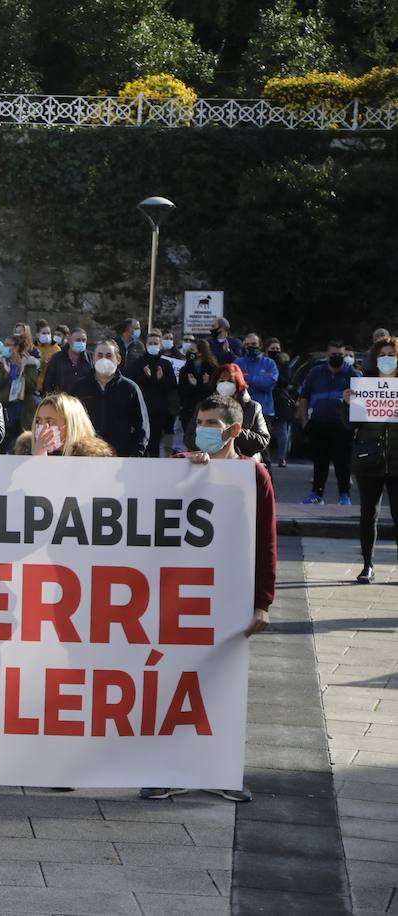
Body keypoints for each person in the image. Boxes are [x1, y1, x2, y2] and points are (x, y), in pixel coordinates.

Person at [141, 394, 274, 804]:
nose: (203, 429)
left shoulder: (254, 477)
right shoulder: (185, 466)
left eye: (212, 423)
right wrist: (187, 470)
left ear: (234, 430)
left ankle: (221, 772)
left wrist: (262, 602)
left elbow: (265, 542)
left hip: (229, 596)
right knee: (174, 682)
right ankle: (166, 770)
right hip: (182, 594)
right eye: (199, 421)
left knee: (223, 685)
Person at [346, 337, 398, 583]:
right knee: (369, 514)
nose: (387, 359)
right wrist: (347, 403)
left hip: (397, 460)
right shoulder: (364, 385)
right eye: (382, 354)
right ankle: (367, 565)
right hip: (370, 459)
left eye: (391, 354)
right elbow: (350, 425)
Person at [298, 341, 360, 505]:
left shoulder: (353, 374)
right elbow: (304, 396)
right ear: (327, 355)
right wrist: (304, 420)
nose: (337, 358)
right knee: (320, 462)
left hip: (343, 427)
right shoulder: (315, 373)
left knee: (343, 463)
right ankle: (317, 494)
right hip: (318, 425)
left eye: (340, 355)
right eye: (334, 355)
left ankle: (344, 495)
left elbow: (361, 401)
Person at [70, 341, 149, 458]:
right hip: (84, 455)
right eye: (100, 355)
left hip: (121, 455)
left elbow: (142, 426)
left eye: (109, 355)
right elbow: (69, 421)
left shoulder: (130, 388)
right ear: (93, 359)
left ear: (118, 359)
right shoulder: (79, 387)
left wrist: (135, 455)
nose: (104, 359)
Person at [194, 363, 269, 459]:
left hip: (243, 462)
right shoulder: (204, 406)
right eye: (221, 381)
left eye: (230, 381)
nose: (225, 384)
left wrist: (232, 432)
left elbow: (262, 440)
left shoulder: (252, 407)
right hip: (207, 460)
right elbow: (190, 437)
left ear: (238, 384)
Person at [11, 393, 115, 457]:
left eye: (50, 421)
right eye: (38, 421)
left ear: (71, 426)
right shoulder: (22, 456)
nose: (43, 427)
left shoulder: (95, 459)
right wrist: (37, 460)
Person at [128, 330, 177, 457]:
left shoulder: (166, 364)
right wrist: (145, 376)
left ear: (160, 345)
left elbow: (172, 386)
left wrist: (161, 379)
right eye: (151, 343)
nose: (153, 345)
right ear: (146, 344)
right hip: (142, 409)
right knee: (143, 441)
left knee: (155, 444)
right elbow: (132, 383)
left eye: (156, 343)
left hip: (159, 411)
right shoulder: (139, 363)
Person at [236, 332, 279, 463]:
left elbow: (269, 383)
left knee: (263, 448)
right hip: (242, 410)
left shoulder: (269, 363)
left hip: (265, 411)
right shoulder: (238, 362)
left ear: (260, 345)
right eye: (248, 344)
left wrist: (247, 378)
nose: (251, 347)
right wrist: (257, 381)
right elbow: (236, 384)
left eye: (254, 344)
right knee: (241, 448)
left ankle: (267, 480)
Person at [176, 336, 219, 454]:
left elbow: (213, 390)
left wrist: (203, 384)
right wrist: (193, 385)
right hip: (189, 410)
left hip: (206, 409)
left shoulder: (211, 368)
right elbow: (182, 390)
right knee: (191, 441)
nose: (190, 352)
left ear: (201, 352)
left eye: (193, 350)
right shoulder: (186, 369)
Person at [265, 338, 294, 467]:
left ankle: (282, 457)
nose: (275, 351)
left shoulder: (284, 363)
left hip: (280, 400)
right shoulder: (263, 362)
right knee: (265, 430)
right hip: (266, 398)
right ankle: (266, 457)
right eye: (272, 348)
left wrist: (272, 377)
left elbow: (286, 380)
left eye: (277, 348)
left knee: (282, 431)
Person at [41, 327, 93, 396]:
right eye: (78, 340)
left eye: (84, 340)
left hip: (85, 402)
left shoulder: (91, 358)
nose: (81, 343)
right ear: (69, 340)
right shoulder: (57, 358)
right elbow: (47, 383)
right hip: (62, 401)